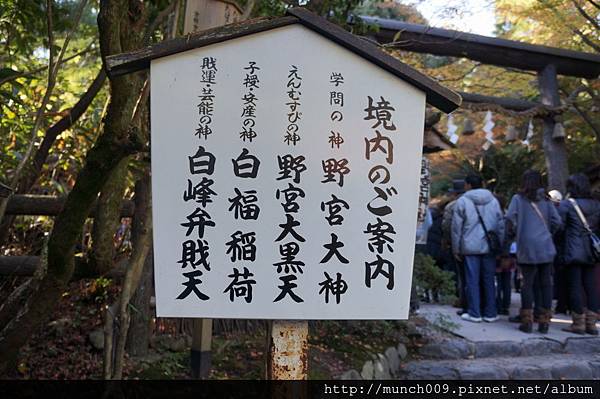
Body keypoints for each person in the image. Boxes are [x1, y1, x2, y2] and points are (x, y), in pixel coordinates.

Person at [505, 170, 562, 333]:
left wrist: (517, 232)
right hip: (545, 245)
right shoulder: (546, 199)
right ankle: (544, 322)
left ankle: (527, 321)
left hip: (527, 245)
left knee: (527, 284)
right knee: (546, 283)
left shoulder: (518, 199)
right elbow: (557, 221)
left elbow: (510, 219)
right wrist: (547, 233)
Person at [451, 175, 504, 323]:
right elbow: (500, 225)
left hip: (470, 246)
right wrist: (499, 245)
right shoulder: (493, 200)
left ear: (467, 185)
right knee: (489, 279)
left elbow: (456, 228)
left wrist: (456, 248)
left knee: (472, 280)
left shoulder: (462, 201)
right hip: (489, 246)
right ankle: (490, 312)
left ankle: (474, 313)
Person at [559, 174, 600, 335]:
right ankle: (592, 324)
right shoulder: (596, 204)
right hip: (592, 249)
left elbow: (560, 226)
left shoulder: (568, 204)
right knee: (591, 286)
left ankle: (578, 323)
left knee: (575, 285)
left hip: (573, 248)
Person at [442, 179, 467, 314]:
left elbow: (447, 226)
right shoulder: (486, 201)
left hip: (459, 243)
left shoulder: (452, 205)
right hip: (482, 244)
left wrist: (447, 241)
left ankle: (462, 299)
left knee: (461, 274)